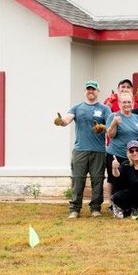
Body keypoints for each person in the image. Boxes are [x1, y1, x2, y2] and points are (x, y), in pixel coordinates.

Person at [55, 80, 112, 218]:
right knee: (78, 180)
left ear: (98, 91)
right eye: (88, 89)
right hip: (80, 150)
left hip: (98, 150)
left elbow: (110, 126)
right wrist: (61, 122)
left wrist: (103, 127)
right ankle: (75, 209)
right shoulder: (77, 107)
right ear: (85, 91)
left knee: (97, 180)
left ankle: (95, 209)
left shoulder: (104, 109)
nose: (91, 91)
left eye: (93, 89)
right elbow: (67, 119)